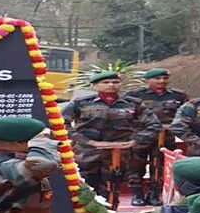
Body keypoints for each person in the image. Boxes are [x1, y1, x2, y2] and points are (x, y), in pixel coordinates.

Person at [62, 71, 161, 206]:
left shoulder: (133, 103)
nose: (111, 85)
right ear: (94, 86)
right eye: (106, 82)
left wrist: (135, 141)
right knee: (85, 188)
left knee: (112, 188)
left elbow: (154, 125)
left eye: (115, 82)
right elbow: (61, 124)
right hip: (88, 153)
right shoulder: (81, 103)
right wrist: (85, 141)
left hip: (119, 154)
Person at [125, 68, 189, 205]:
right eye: (157, 78)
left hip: (166, 136)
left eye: (164, 78)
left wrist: (172, 126)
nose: (161, 81)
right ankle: (137, 194)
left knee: (160, 165)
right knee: (136, 165)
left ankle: (154, 194)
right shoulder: (134, 95)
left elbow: (185, 115)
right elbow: (127, 115)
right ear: (147, 80)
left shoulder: (179, 96)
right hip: (141, 135)